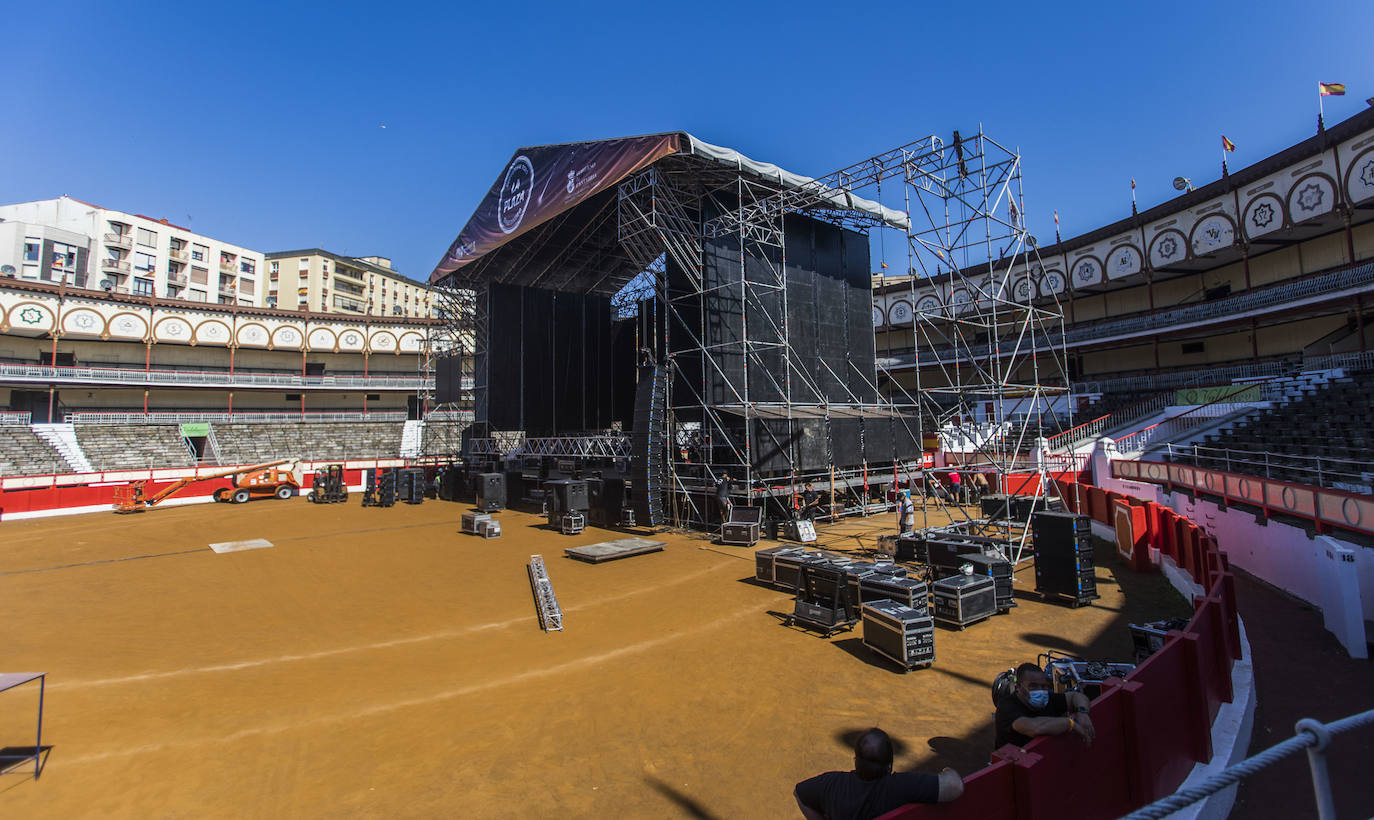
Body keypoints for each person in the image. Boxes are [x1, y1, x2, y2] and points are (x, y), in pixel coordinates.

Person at [794, 728, 963, 819]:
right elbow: (955, 786)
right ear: (889, 766)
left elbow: (799, 793)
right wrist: (947, 771)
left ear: (855, 761)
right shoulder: (901, 787)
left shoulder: (832, 784)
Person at [993, 663, 1095, 750]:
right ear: (1018, 687)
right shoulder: (1007, 707)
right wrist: (1069, 723)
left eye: (1044, 686)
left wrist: (1082, 712)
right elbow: (1034, 728)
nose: (1040, 690)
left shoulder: (1049, 699)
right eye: (1033, 686)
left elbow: (1076, 696)